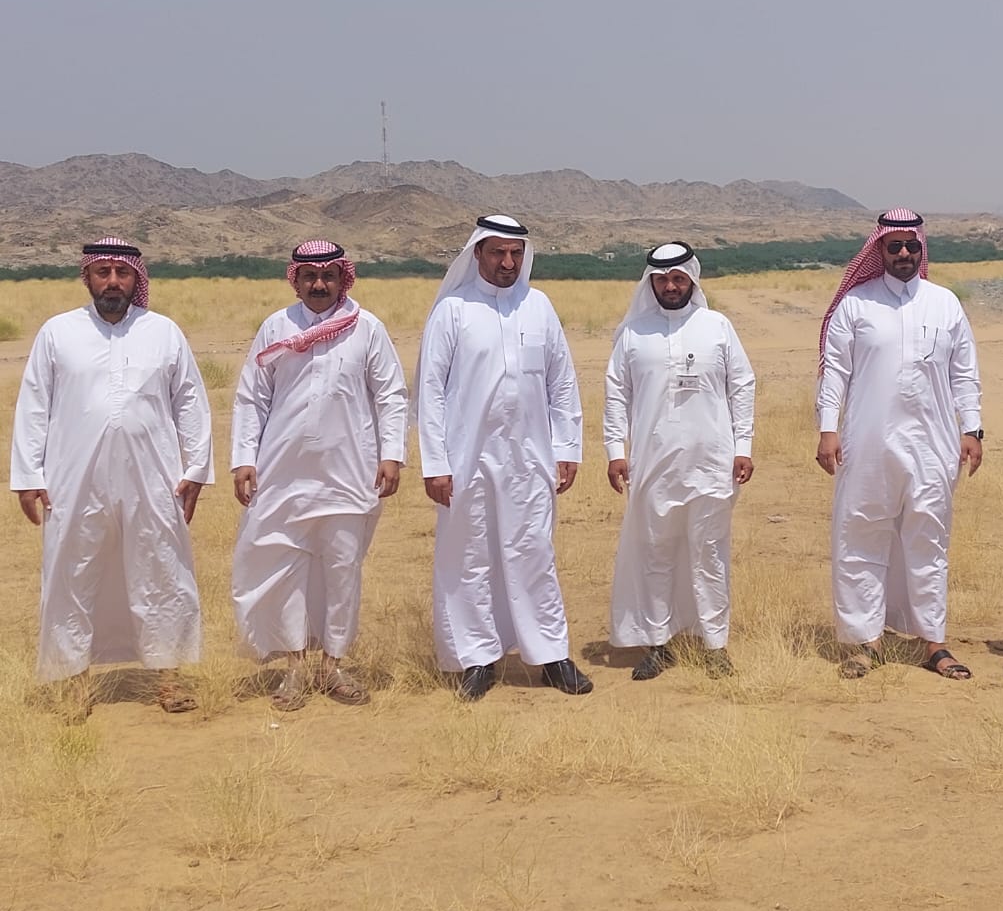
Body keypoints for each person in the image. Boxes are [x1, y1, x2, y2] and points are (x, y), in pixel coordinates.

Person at [9, 238, 212, 712]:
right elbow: (34, 405)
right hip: (73, 478)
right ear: (88, 278)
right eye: (103, 272)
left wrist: (197, 468)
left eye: (122, 273)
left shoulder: (163, 332)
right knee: (72, 573)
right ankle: (75, 686)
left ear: (136, 278)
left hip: (154, 476)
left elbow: (190, 402)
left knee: (160, 569)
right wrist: (28, 475)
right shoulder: (58, 332)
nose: (113, 282)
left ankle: (167, 681)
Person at [416, 214, 593, 699]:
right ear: (477, 253)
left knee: (534, 552)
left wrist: (567, 447)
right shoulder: (452, 310)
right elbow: (429, 392)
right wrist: (435, 463)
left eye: (516, 253)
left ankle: (550, 655)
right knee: (469, 556)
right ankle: (478, 659)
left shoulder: (539, 307)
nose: (507, 262)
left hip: (531, 459)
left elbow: (562, 383)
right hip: (465, 459)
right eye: (497, 252)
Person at [230, 240, 408, 710]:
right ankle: (294, 666)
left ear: (342, 278)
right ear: (296, 280)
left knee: (342, 568)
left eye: (328, 275)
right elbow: (252, 398)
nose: (319, 284)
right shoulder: (276, 327)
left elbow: (391, 395)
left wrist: (392, 454)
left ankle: (333, 665)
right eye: (309, 275)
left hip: (349, 472)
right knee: (286, 566)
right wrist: (244, 458)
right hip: (282, 471)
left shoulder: (367, 328)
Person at [815, 208, 983, 680]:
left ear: (921, 248)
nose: (904, 252)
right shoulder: (856, 304)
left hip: (934, 443)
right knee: (861, 537)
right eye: (895, 246)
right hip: (867, 442)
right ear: (880, 250)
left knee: (929, 540)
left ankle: (934, 643)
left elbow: (965, 373)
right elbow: (835, 373)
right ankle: (865, 642)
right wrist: (828, 428)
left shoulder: (945, 303)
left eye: (912, 245)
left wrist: (973, 428)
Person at [603, 242, 756, 680]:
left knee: (710, 554)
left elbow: (742, 385)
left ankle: (715, 645)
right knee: (656, 552)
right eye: (662, 280)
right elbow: (616, 394)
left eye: (678, 278)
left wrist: (743, 445)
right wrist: (615, 452)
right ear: (650, 283)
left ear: (692, 279)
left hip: (712, 463)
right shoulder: (634, 334)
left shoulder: (717, 327)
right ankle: (658, 644)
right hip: (652, 465)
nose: (670, 286)